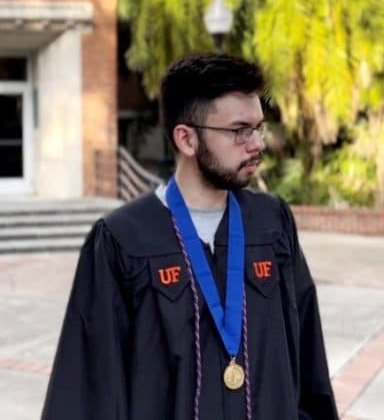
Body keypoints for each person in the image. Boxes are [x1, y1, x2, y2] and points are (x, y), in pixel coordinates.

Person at [42, 53, 339, 420]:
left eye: (259, 128)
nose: (257, 144)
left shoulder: (272, 223)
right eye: (239, 130)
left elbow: (309, 366)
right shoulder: (123, 240)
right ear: (186, 138)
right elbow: (88, 387)